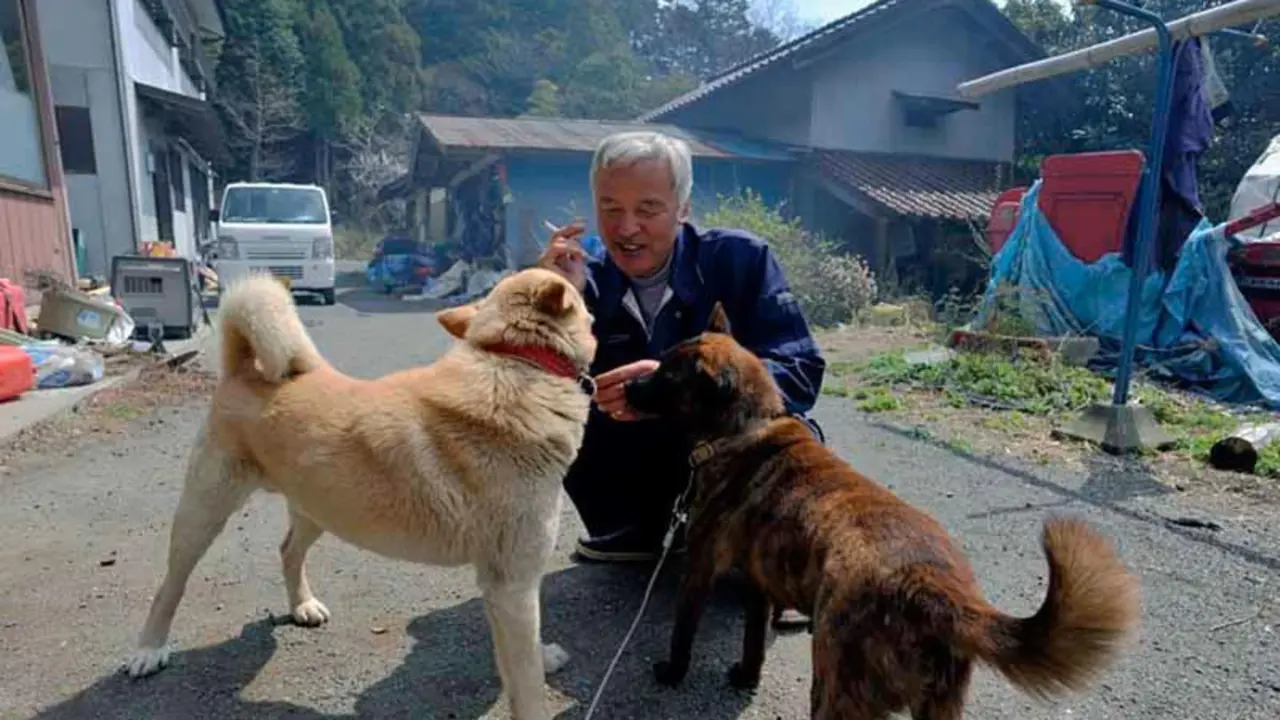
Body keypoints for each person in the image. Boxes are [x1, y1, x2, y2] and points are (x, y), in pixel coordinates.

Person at [537, 130, 827, 565]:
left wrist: (679, 385)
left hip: (730, 454)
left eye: (648, 209)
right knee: (554, 414)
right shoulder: (583, 282)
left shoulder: (741, 259)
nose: (626, 228)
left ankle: (782, 559)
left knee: (794, 432)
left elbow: (800, 368)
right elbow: (524, 390)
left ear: (684, 209)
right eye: (610, 208)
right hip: (641, 463)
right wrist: (553, 304)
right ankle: (642, 530)